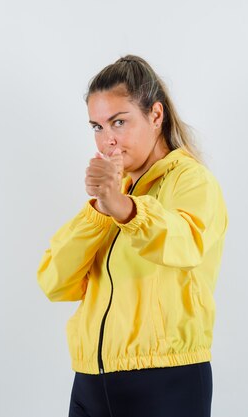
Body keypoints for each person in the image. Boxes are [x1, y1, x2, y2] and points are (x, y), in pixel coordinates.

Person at [36, 54, 229, 417]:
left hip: (166, 379)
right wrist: (100, 210)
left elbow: (186, 244)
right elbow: (54, 281)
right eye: (97, 127)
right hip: (91, 381)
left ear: (156, 116)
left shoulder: (191, 180)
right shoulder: (114, 196)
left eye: (119, 122)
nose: (107, 141)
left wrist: (124, 209)